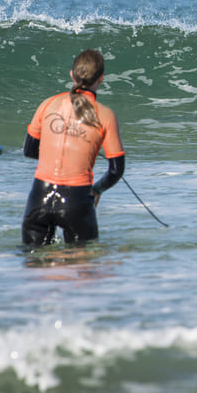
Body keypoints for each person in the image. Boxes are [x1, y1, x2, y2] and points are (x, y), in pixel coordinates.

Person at [22, 49, 125, 247]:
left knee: (36, 269)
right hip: (76, 200)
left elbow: (30, 150)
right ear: (101, 78)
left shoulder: (48, 104)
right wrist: (97, 189)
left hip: (39, 197)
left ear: (72, 75)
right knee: (82, 271)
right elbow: (116, 170)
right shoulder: (105, 115)